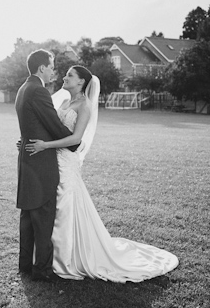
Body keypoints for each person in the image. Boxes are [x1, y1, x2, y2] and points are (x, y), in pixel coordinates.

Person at [25, 65, 179, 282]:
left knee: (64, 206)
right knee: (52, 208)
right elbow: (49, 127)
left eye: (70, 75)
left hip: (66, 162)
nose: (64, 77)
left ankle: (66, 259)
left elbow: (76, 139)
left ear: (81, 82)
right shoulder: (63, 102)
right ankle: (49, 256)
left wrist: (45, 145)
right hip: (52, 160)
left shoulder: (84, 106)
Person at [15, 49, 79, 282]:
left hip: (27, 159)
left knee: (28, 216)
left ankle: (25, 265)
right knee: (42, 217)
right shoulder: (39, 91)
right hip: (40, 162)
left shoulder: (23, 89)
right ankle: (41, 270)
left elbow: (30, 124)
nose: (54, 71)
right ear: (42, 68)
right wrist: (74, 143)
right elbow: (52, 124)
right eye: (52, 66)